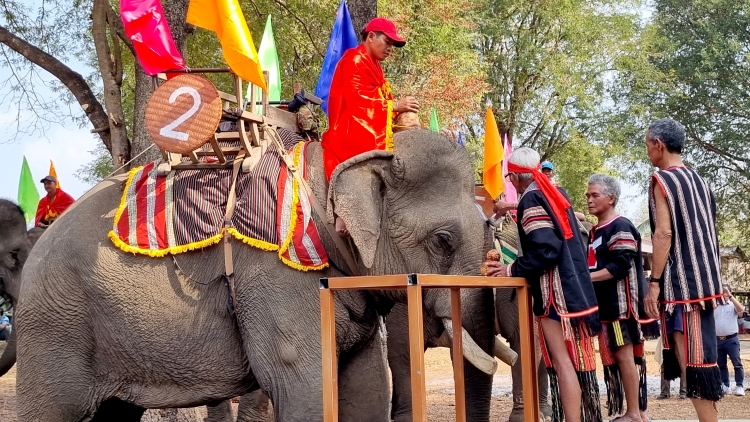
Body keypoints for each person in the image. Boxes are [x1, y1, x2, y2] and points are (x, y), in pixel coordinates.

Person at [484, 147, 601, 422]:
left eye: (510, 177)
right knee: (575, 362)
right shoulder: (556, 193)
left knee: (562, 363)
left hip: (554, 294)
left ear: (515, 177)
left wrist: (510, 268)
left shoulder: (532, 199)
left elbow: (546, 249)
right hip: (576, 289)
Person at [643, 118, 724, 421]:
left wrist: (654, 282)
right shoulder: (700, 180)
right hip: (706, 283)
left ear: (658, 145)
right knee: (701, 361)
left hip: (683, 287)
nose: (648, 151)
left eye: (648, 144)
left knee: (696, 363)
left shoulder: (663, 181)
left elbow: (663, 234)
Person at [320, 18, 420, 237]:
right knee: (365, 164)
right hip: (349, 127)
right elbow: (357, 104)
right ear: (371, 35)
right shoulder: (354, 60)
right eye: (387, 41)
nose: (390, 49)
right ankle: (344, 212)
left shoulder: (373, 65)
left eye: (393, 45)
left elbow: (376, 99)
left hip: (366, 123)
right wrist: (395, 105)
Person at [586, 174, 659, 422]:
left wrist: (586, 277)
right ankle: (638, 411)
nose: (589, 199)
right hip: (606, 307)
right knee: (619, 355)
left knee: (625, 355)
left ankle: (634, 413)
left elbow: (619, 266)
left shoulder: (621, 226)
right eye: (588, 195)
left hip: (621, 307)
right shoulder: (597, 230)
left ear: (611, 198)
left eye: (595, 195)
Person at [714, 284, 745, 396]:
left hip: (731, 340)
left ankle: (739, 386)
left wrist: (730, 296)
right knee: (721, 364)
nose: (724, 294)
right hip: (718, 340)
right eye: (722, 292)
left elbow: (741, 309)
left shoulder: (732, 305)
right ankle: (725, 384)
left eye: (726, 292)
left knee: (737, 364)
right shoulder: (715, 306)